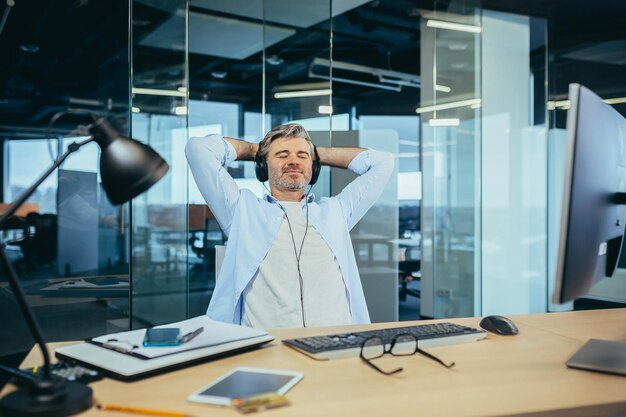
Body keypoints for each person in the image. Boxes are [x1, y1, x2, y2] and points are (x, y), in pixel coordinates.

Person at [185, 123, 393, 328]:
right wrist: (255, 151)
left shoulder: (336, 212)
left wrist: (316, 154)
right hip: (267, 346)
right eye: (282, 155)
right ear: (263, 166)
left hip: (333, 343)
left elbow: (383, 162)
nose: (293, 161)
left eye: (302, 156)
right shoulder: (242, 210)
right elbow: (198, 149)